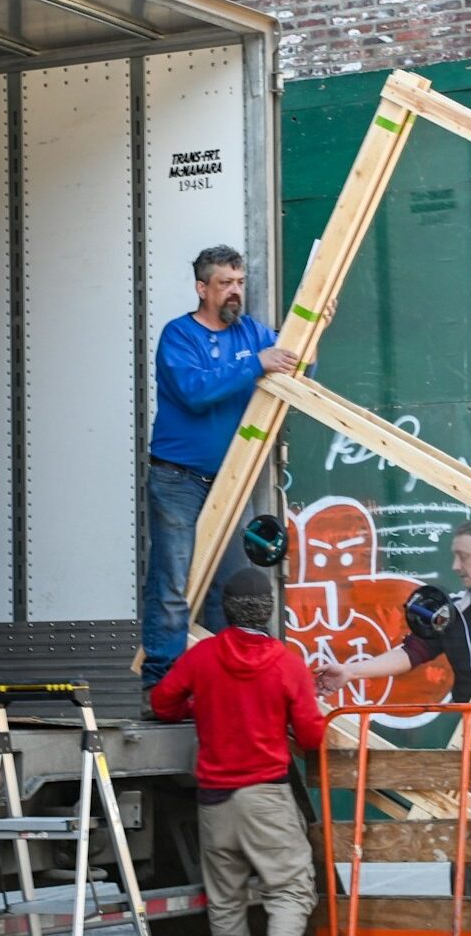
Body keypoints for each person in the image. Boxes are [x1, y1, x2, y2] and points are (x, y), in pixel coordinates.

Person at [314, 475, 471, 841]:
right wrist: (350, 672)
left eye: (463, 556)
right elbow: (409, 653)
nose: (455, 566)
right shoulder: (454, 611)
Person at [141, 245, 299, 701]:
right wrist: (255, 363)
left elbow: (300, 363)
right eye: (225, 284)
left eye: (239, 282)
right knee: (173, 582)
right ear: (202, 288)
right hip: (178, 480)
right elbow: (194, 391)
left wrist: (317, 327)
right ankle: (163, 689)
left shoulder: (251, 331)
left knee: (229, 588)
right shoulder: (179, 336)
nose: (235, 292)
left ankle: (221, 691)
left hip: (231, 480)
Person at [150, 567, 325, 936]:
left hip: (215, 805)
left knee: (225, 906)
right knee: (291, 893)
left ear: (226, 610)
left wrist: (196, 706)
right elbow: (311, 737)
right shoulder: (287, 664)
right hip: (267, 800)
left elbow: (162, 703)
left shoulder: (203, 656)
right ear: (268, 610)